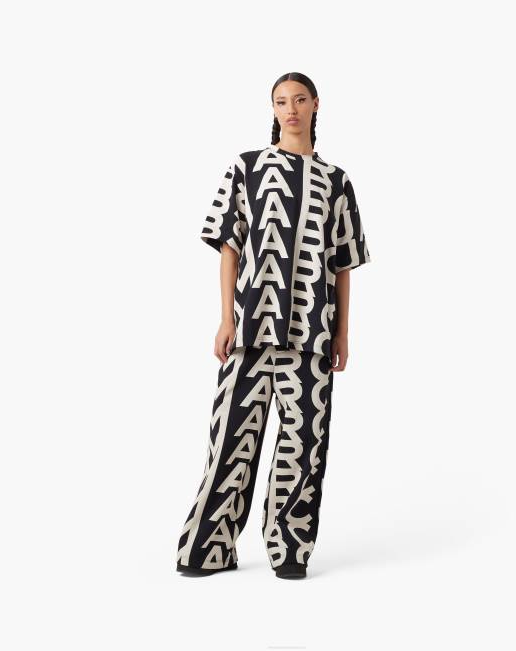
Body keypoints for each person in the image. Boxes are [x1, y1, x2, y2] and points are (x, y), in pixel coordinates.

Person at [175, 72, 371, 580]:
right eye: (282, 101)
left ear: (316, 105)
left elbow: (342, 264)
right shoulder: (246, 168)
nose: (291, 109)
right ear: (273, 108)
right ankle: (207, 548)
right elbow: (229, 247)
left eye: (300, 100)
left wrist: (343, 333)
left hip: (312, 333)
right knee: (230, 440)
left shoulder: (337, 182)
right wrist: (226, 317)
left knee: (304, 446)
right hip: (250, 329)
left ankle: (289, 550)